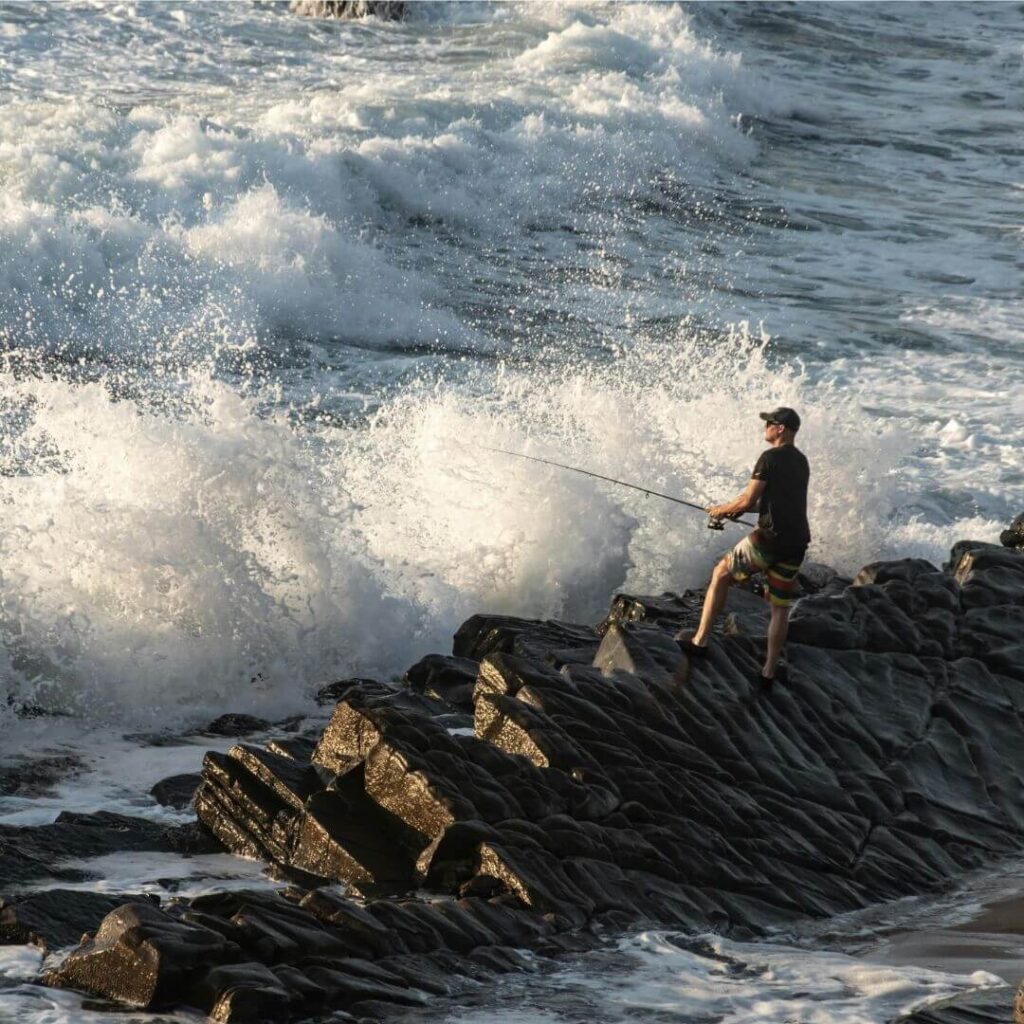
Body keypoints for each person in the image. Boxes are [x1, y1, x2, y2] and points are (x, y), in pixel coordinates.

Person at [677, 407, 810, 686]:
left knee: (721, 574)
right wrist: (738, 511)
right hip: (796, 542)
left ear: (781, 429)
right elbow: (775, 502)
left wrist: (721, 510)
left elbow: (749, 500)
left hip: (769, 539)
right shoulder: (801, 461)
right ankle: (769, 672)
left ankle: (700, 641)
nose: (766, 428)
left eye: (769, 424)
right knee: (780, 608)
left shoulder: (769, 457)